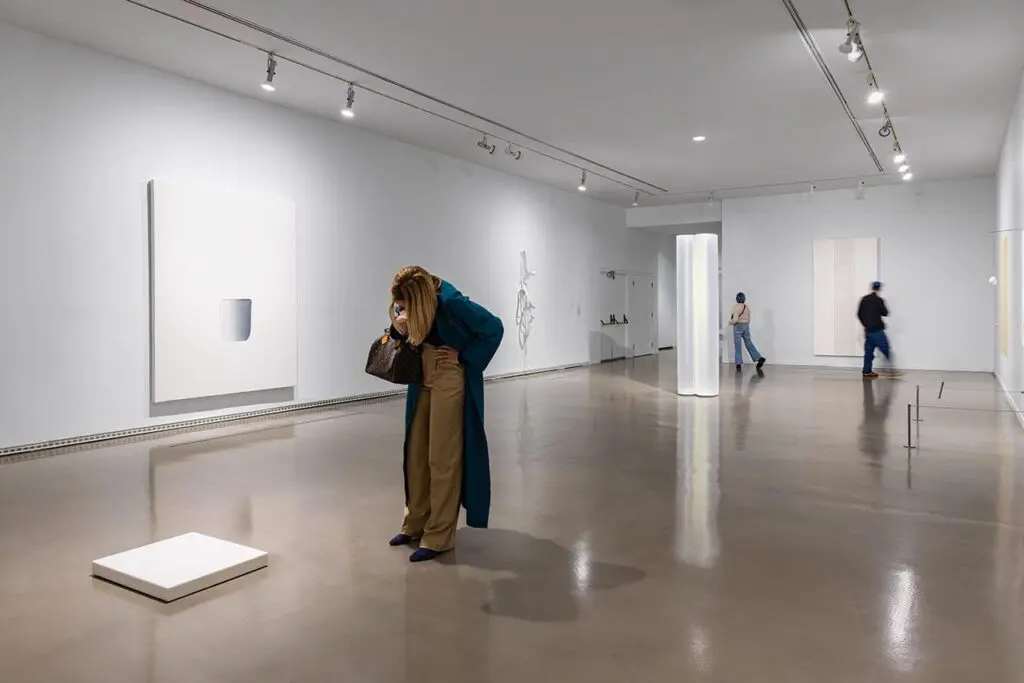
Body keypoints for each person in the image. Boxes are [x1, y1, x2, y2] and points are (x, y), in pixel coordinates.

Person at [386, 266, 504, 562]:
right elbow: (408, 328)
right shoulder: (419, 301)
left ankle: (439, 535)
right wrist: (396, 328)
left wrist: (463, 357)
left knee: (442, 455)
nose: (401, 308)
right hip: (420, 371)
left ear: (420, 298)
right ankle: (414, 524)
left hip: (449, 374)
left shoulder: (451, 303)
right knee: (416, 453)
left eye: (405, 304)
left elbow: (494, 327)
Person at [857, 281, 895, 378]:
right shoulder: (879, 300)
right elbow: (886, 313)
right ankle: (891, 370)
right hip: (877, 330)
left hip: (868, 331)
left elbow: (859, 314)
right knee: (886, 349)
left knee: (868, 352)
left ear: (871, 288)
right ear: (879, 289)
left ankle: (866, 371)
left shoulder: (864, 299)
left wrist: (865, 324)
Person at [728, 292, 766, 373]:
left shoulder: (736, 307)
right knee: (749, 343)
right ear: (744, 298)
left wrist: (730, 322)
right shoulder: (747, 307)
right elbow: (749, 319)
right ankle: (759, 358)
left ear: (737, 298)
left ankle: (738, 364)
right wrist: (746, 325)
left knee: (738, 345)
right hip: (746, 326)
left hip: (738, 326)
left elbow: (735, 319)